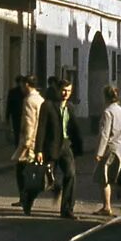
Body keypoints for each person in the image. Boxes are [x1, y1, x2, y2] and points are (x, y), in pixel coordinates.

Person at [35, 78, 82, 219]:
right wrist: (38, 150)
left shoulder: (70, 107)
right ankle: (27, 197)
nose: (65, 94)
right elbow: (41, 128)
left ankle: (67, 209)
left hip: (66, 147)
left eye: (68, 91)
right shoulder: (48, 106)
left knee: (71, 174)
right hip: (51, 147)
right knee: (44, 179)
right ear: (58, 90)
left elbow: (74, 128)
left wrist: (78, 146)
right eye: (63, 90)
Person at [93, 84, 121, 217]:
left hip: (112, 149)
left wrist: (99, 152)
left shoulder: (108, 112)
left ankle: (106, 206)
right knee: (120, 178)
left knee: (104, 179)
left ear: (105, 97)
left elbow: (105, 133)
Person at [10, 74, 43, 214]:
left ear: (27, 85)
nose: (21, 88)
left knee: (22, 172)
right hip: (38, 142)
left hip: (29, 144)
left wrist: (26, 143)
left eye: (23, 85)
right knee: (34, 172)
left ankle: (25, 198)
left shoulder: (29, 101)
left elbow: (29, 123)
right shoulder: (40, 99)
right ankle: (27, 198)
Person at [5, 76, 24, 145]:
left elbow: (9, 105)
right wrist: (7, 116)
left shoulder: (13, 92)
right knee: (18, 132)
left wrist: (7, 116)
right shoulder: (22, 92)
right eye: (20, 82)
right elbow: (9, 104)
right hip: (18, 115)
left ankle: (18, 146)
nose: (20, 84)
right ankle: (18, 146)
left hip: (17, 115)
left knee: (18, 132)